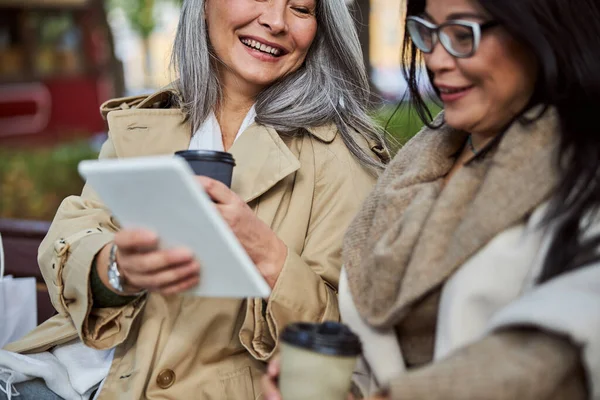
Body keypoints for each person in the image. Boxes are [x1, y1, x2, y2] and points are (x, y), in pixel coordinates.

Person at [0, 0, 389, 399]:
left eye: (302, 8)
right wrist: (114, 269)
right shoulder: (147, 121)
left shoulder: (345, 156)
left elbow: (353, 343)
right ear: (203, 7)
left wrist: (269, 257)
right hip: (70, 374)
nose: (275, 21)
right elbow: (70, 241)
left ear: (321, 29)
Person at [262, 0, 600, 398]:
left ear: (541, 30)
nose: (436, 59)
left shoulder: (583, 172)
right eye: (429, 34)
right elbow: (380, 349)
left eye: (462, 35)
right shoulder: (419, 165)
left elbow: (556, 351)